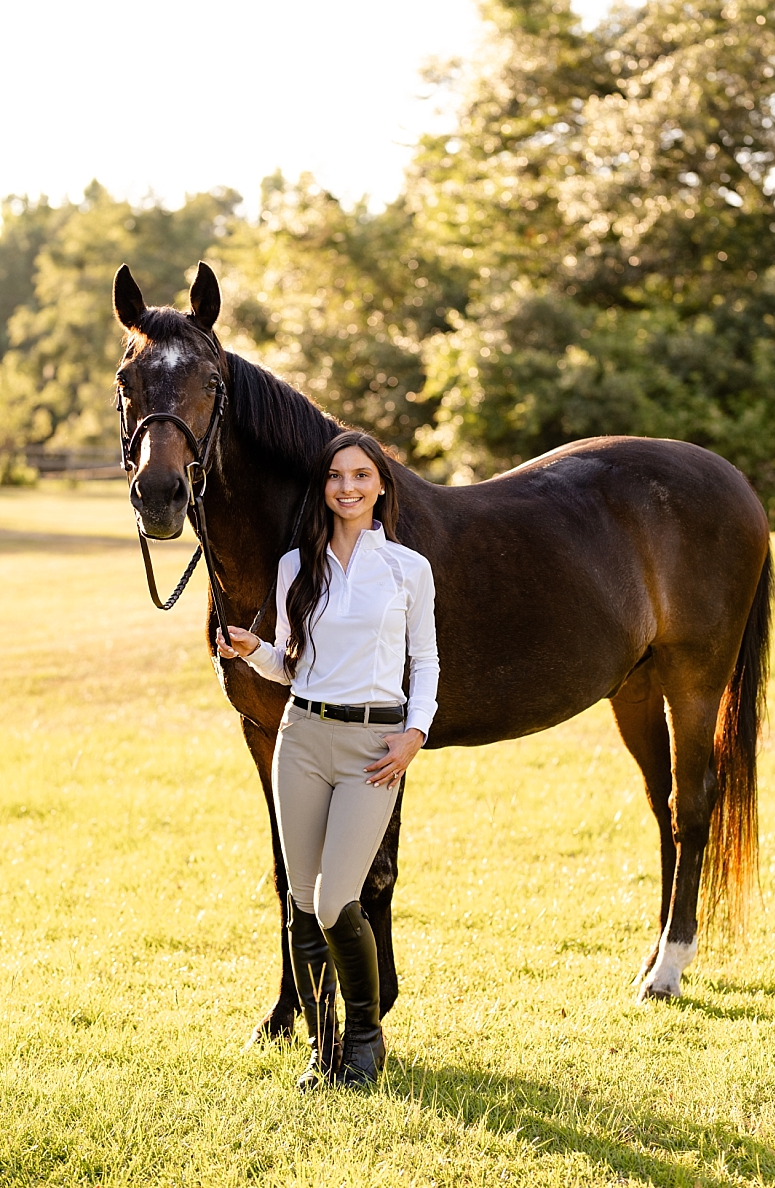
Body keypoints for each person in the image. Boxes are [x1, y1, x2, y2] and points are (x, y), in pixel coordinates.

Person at [217, 430, 438, 1089]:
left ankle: (366, 1038)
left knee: (339, 896)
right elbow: (289, 665)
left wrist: (415, 732)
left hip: (374, 748)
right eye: (337, 476)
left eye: (361, 475)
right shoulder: (295, 567)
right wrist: (250, 649)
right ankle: (323, 1043)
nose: (347, 487)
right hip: (304, 738)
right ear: (325, 487)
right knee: (301, 899)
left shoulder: (408, 568)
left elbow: (425, 660)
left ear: (380, 486)